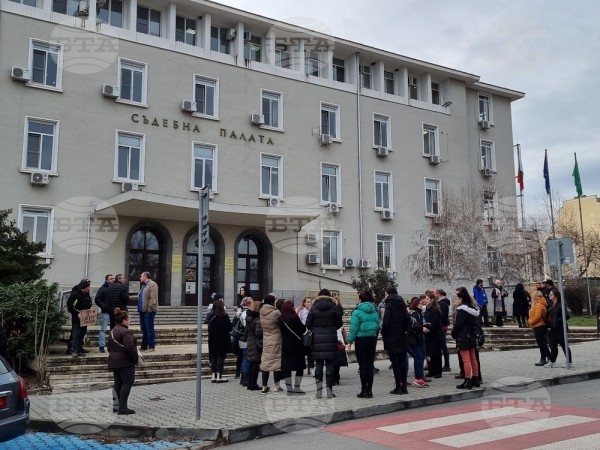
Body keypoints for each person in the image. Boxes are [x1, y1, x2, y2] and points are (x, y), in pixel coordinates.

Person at [306, 289, 343, 399]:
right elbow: (339, 323)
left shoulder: (314, 307)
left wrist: (316, 328)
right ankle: (329, 392)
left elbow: (308, 324)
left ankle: (319, 392)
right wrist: (331, 328)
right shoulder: (334, 307)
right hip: (331, 338)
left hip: (317, 339)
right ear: (329, 296)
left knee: (318, 365)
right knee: (330, 365)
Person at [347, 290, 379, 398]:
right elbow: (377, 325)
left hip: (361, 340)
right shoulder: (374, 310)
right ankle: (370, 391)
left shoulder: (357, 311)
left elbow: (354, 328)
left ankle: (364, 391)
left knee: (363, 366)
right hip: (372, 339)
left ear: (360, 299)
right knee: (370, 365)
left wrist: (349, 341)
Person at [108, 307, 138, 415]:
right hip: (125, 361)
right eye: (129, 319)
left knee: (118, 383)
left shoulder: (113, 330)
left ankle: (116, 406)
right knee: (127, 383)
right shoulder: (126, 332)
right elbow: (130, 348)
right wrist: (135, 359)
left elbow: (109, 347)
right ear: (124, 320)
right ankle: (122, 408)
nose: (130, 321)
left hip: (114, 360)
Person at [381, 288, 410, 395]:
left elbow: (386, 322)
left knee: (395, 363)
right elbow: (407, 319)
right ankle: (404, 387)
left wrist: (383, 332)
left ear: (388, 294)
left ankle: (398, 387)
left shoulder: (389, 305)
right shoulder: (402, 304)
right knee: (402, 363)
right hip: (402, 337)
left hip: (391, 338)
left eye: (385, 294)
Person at [451, 287, 481, 389]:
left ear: (461, 299)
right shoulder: (474, 309)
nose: (456, 301)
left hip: (463, 336)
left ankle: (467, 380)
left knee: (466, 360)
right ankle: (476, 379)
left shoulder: (462, 310)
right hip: (472, 335)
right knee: (473, 358)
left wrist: (453, 334)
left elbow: (459, 324)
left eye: (457, 298)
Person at [279, 300, 307, 395]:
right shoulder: (295, 318)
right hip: (297, 344)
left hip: (286, 345)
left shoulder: (280, 319)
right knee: (299, 367)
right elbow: (303, 329)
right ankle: (297, 388)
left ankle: (289, 390)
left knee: (287, 368)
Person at [259, 294, 283, 394]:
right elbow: (281, 323)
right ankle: (277, 386)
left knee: (266, 363)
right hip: (276, 339)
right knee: (276, 363)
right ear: (272, 302)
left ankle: (264, 387)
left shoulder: (261, 312)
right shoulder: (276, 312)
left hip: (266, 338)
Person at [545, 288, 574, 368]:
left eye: (551, 294)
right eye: (549, 294)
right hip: (552, 328)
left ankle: (569, 362)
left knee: (564, 345)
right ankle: (552, 361)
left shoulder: (561, 304)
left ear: (556, 296)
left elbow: (567, 316)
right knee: (552, 345)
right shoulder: (551, 304)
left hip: (560, 328)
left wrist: (556, 320)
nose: (549, 295)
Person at [207, 299, 232, 382]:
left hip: (212, 339)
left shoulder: (211, 316)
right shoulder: (224, 316)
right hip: (222, 339)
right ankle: (219, 376)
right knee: (220, 357)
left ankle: (213, 376)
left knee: (213, 356)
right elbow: (230, 327)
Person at [67, 280, 92, 357]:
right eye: (88, 287)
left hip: (85, 319)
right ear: (84, 287)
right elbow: (71, 306)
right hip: (77, 319)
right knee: (76, 335)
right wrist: (78, 313)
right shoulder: (76, 295)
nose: (89, 288)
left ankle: (78, 349)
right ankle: (74, 350)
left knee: (82, 334)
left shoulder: (86, 295)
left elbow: (89, 303)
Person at [407, 297, 428, 387]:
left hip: (417, 338)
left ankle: (419, 377)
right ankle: (418, 377)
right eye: (420, 304)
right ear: (415, 304)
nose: (421, 305)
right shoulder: (415, 313)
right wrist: (422, 328)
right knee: (419, 357)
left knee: (420, 357)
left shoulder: (417, 313)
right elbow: (414, 326)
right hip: (416, 339)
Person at [422, 294, 443, 378]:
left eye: (427, 299)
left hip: (435, 333)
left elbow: (435, 322)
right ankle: (431, 370)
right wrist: (424, 327)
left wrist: (428, 327)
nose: (425, 300)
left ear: (432, 300)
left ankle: (438, 371)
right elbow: (425, 320)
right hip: (428, 334)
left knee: (436, 353)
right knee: (430, 353)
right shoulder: (427, 309)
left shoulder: (435, 309)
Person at [529, 290, 551, 366]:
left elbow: (537, 316)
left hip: (539, 326)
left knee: (541, 344)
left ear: (536, 297)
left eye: (533, 296)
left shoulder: (538, 304)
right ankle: (549, 356)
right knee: (543, 343)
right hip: (540, 326)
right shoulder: (540, 303)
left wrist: (530, 322)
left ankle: (543, 359)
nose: (532, 298)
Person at [245, 300, 263, 391]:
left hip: (250, 341)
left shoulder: (249, 317)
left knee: (251, 363)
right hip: (256, 343)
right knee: (256, 364)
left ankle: (249, 384)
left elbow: (246, 331)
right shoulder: (257, 319)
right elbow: (258, 333)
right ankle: (254, 384)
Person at [233, 297, 252, 386]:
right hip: (245, 338)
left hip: (242, 338)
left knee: (244, 358)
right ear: (248, 304)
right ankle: (245, 378)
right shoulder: (245, 313)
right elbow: (246, 326)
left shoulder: (240, 312)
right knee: (246, 358)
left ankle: (243, 377)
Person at [138, 272, 158, 352]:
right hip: (142, 310)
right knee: (144, 329)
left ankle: (151, 346)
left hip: (148, 311)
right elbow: (141, 297)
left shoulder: (152, 284)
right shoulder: (144, 285)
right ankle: (144, 346)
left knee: (149, 328)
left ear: (145, 276)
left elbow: (153, 298)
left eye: (141, 276)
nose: (140, 278)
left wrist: (150, 309)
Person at [95, 274, 115, 353]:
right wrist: (104, 307)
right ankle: (101, 346)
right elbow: (97, 299)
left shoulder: (114, 288)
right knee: (103, 329)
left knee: (114, 329)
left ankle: (113, 346)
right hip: (105, 312)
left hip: (113, 312)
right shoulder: (102, 288)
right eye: (111, 279)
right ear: (107, 280)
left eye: (113, 278)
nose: (113, 280)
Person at [331, 296, 348, 386]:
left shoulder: (330, 311)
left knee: (332, 358)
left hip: (332, 335)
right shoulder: (338, 311)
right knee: (337, 355)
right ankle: (336, 376)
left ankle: (334, 377)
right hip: (338, 335)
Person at [434, 289, 451, 372]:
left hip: (442, 327)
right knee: (442, 345)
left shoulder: (441, 304)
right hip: (443, 326)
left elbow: (442, 316)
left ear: (439, 294)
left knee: (443, 346)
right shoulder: (444, 302)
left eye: (435, 294)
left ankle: (447, 365)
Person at [296, 297, 314, 375]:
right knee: (302, 351)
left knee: (311, 351)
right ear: (304, 303)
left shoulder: (313, 311)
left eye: (310, 302)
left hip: (311, 333)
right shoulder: (301, 311)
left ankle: (311, 367)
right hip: (303, 334)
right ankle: (301, 368)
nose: (309, 303)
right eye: (307, 302)